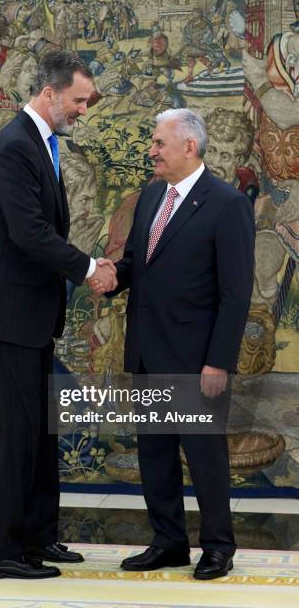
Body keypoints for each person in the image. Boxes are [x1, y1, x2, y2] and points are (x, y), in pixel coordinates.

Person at [0, 51, 117, 580]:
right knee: (17, 432)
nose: (82, 109)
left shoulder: (40, 143)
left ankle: (37, 538)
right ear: (49, 94)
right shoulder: (11, 147)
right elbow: (29, 233)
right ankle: (1, 554)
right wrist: (89, 268)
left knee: (42, 433)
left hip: (30, 315)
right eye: (77, 100)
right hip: (6, 315)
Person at [90, 108, 255, 579]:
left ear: (189, 147)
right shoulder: (148, 198)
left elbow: (235, 293)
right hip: (147, 351)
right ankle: (168, 542)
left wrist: (218, 361)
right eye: (152, 143)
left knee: (205, 459)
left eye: (160, 143)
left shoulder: (226, 204)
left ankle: (218, 547)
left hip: (196, 360)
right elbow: (139, 265)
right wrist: (110, 277)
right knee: (155, 456)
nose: (152, 151)